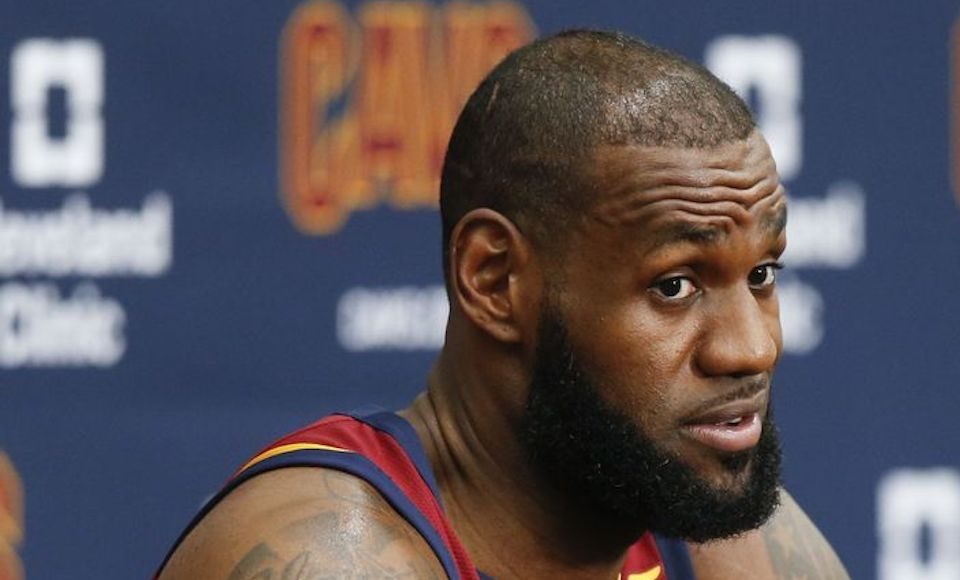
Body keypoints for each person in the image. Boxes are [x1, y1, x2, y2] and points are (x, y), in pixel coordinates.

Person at [159, 29, 849, 579]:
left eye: (762, 273)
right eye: (675, 285)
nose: (752, 347)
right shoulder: (337, 561)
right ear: (494, 281)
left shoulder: (737, 552)